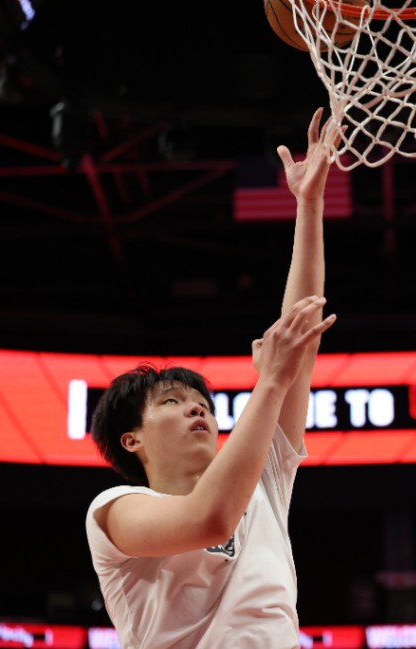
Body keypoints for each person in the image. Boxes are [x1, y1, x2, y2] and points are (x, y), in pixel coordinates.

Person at [84, 107, 340, 649]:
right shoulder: (114, 510)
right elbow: (211, 520)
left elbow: (301, 336)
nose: (197, 407)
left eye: (200, 400)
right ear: (131, 439)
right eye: (171, 402)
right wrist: (269, 383)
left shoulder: (262, 481)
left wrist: (310, 203)